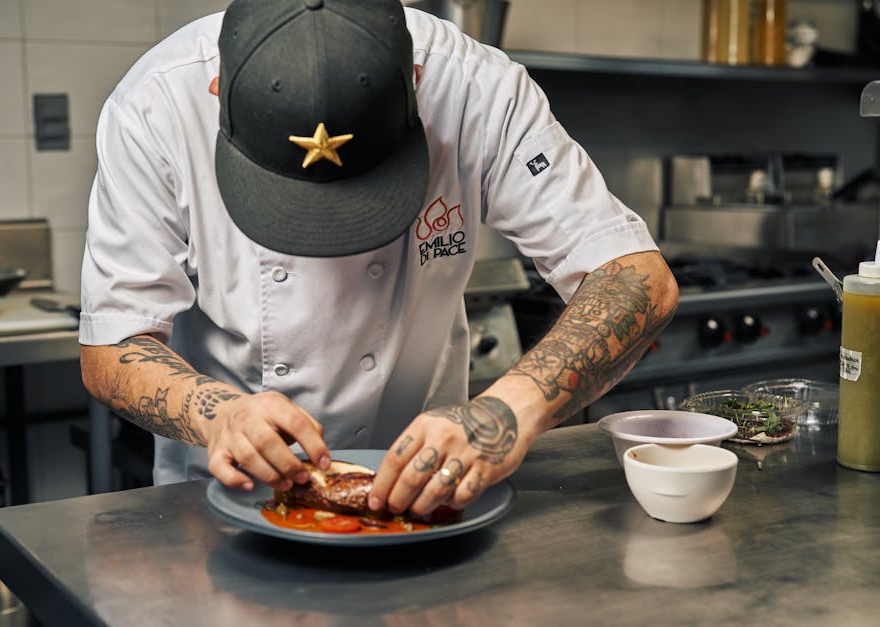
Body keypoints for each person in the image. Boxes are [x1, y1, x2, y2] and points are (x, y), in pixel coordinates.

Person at [79, 0, 678, 519]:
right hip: (223, 500)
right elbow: (112, 343)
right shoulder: (156, 106)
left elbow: (637, 279)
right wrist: (216, 415)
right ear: (219, 94)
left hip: (429, 487)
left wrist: (504, 413)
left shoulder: (478, 89)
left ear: (415, 83)